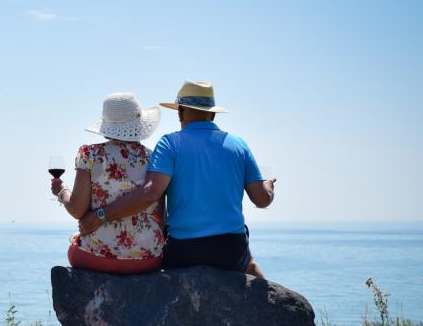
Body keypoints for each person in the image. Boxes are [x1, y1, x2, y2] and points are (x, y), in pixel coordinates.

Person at [79, 81, 275, 278]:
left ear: (180, 113)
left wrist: (99, 216)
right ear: (213, 114)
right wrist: (268, 187)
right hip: (232, 251)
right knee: (249, 262)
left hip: (185, 251)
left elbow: (150, 194)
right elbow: (262, 200)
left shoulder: (170, 143)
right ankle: (270, 305)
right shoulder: (239, 145)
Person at [51, 93, 165, 274]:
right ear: (139, 125)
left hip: (96, 256)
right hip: (147, 258)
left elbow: (77, 210)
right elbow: (160, 216)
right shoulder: (154, 159)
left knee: (74, 244)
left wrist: (61, 191)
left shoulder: (90, 155)